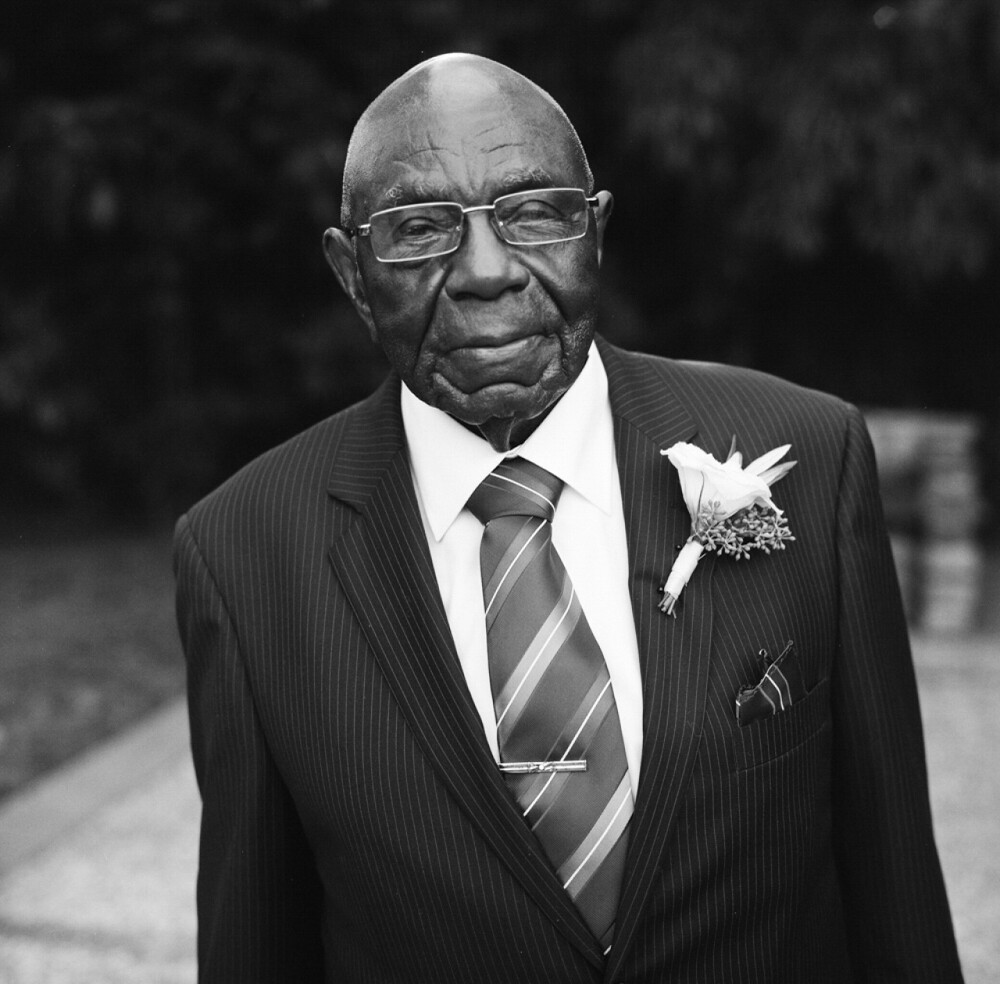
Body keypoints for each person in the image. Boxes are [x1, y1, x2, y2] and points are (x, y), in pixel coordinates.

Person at [174, 53, 963, 983]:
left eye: (534, 212)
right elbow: (256, 947)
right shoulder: (244, 554)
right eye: (419, 229)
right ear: (352, 272)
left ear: (595, 232)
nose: (485, 271)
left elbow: (895, 890)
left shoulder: (812, 455)